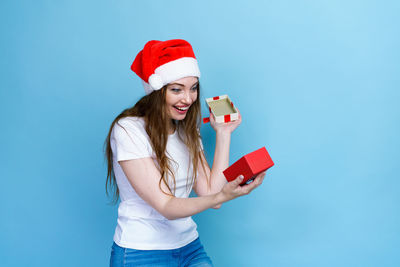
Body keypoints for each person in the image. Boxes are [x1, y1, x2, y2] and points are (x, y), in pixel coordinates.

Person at [104, 39, 266, 267]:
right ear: (157, 90)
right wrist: (222, 196)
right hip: (141, 252)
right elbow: (167, 206)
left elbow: (211, 192)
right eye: (176, 89)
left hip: (189, 246)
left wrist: (224, 132)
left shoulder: (185, 130)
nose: (188, 99)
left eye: (193, 88)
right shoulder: (128, 130)